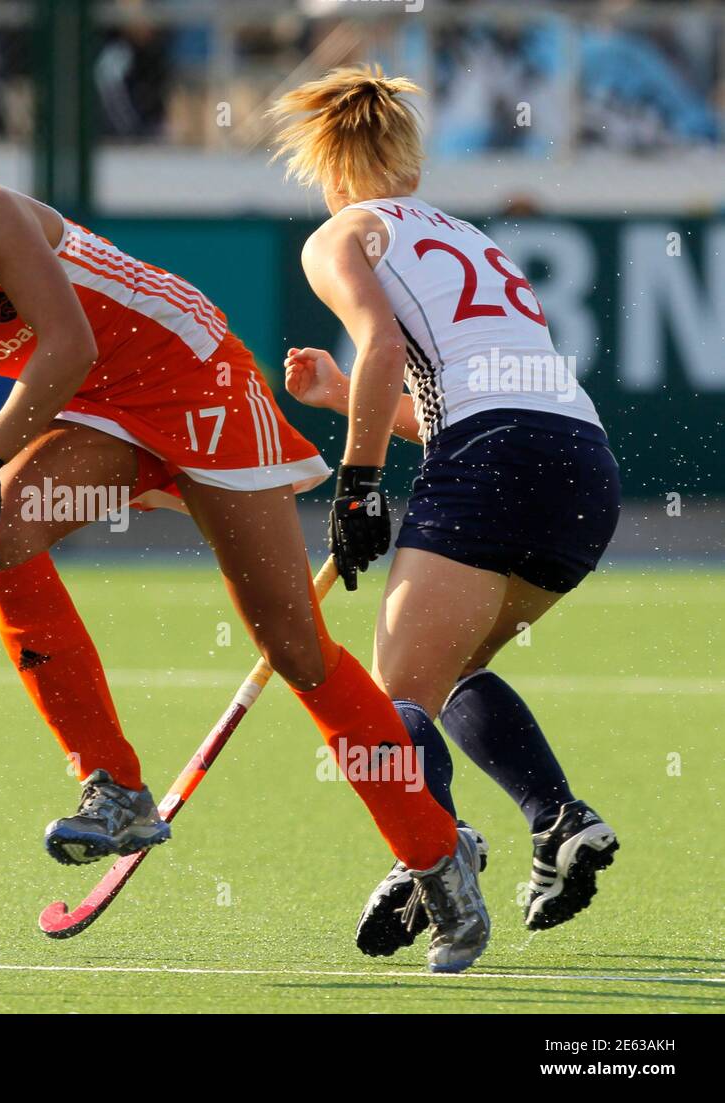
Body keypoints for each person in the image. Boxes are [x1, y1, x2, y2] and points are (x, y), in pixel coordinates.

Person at [0, 132, 489, 972]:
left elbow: (68, 343)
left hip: (197, 379)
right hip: (102, 414)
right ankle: (116, 788)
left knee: (296, 650)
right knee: (7, 524)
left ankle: (434, 850)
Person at [271, 66, 621, 959]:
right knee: (455, 667)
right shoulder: (472, 239)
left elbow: (389, 342)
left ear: (327, 171)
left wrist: (357, 483)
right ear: (411, 166)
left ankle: (436, 856)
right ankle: (558, 820)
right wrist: (345, 396)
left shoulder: (340, 232)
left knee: (396, 707)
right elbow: (446, 396)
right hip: (584, 468)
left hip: (493, 457)